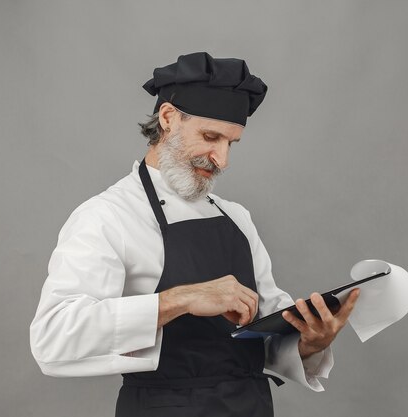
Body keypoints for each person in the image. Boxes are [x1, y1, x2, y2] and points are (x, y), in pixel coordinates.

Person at [29, 52, 360, 417]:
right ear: (168, 118)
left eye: (230, 143)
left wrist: (309, 343)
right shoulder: (108, 216)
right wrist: (180, 299)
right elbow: (54, 337)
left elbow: (262, 334)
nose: (222, 159)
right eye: (210, 136)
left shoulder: (235, 217)